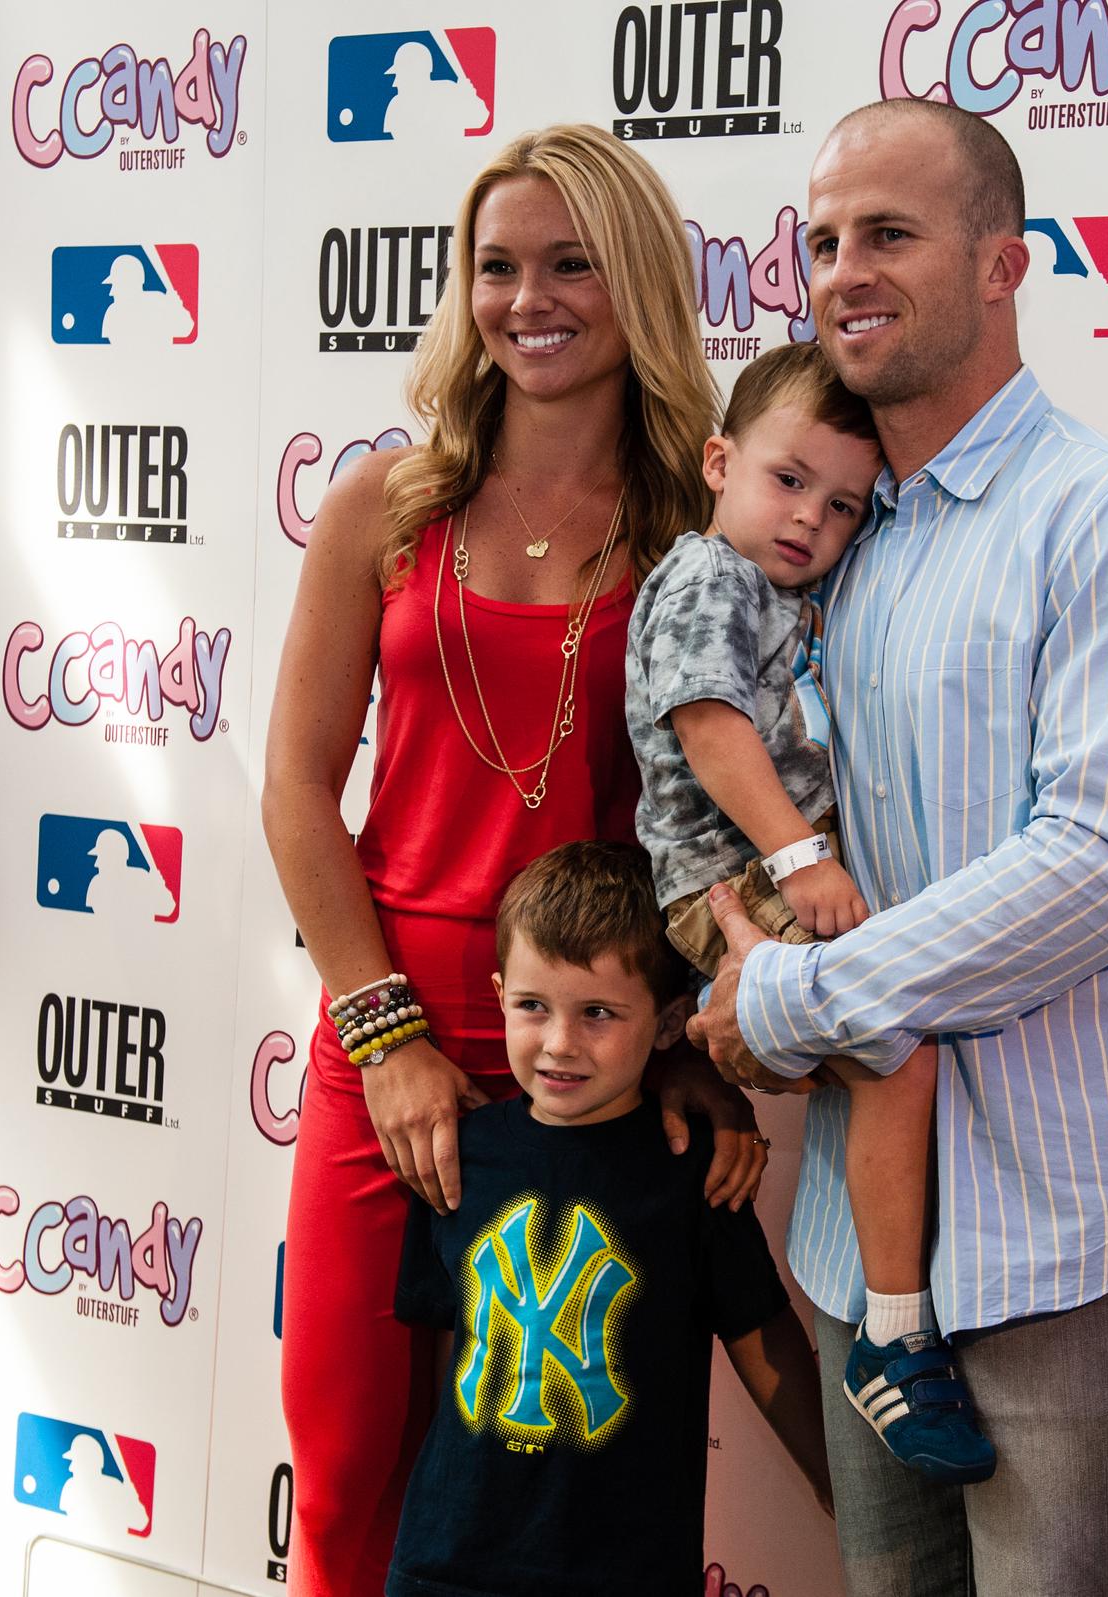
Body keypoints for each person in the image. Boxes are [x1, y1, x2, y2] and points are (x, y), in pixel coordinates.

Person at [687, 98, 1108, 1596]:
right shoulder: (836, 545)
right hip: (861, 1252)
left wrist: (798, 998)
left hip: (1070, 1233)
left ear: (1005, 263)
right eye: (820, 240)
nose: (843, 270)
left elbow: (1107, 864)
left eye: (890, 232)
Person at [261, 123, 756, 1596]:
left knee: (553, 1518)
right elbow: (295, 793)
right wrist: (386, 1030)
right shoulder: (383, 509)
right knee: (348, 1476)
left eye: (570, 264)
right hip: (386, 1039)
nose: (527, 298)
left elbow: (716, 825)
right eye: (495, 266)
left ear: (640, 287)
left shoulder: (697, 536)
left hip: (584, 1062)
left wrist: (667, 1035)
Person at [627, 341, 989, 1483]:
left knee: (901, 1060)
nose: (810, 522)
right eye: (787, 482)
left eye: (843, 506)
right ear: (719, 462)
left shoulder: (790, 590)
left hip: (762, 874)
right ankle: (895, 1337)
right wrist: (796, 857)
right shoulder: (707, 578)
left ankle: (901, 1313)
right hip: (729, 882)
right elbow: (707, 722)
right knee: (896, 1056)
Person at [389, 842, 829, 1596]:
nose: (560, 1042)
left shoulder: (692, 1171)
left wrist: (842, 1489)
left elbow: (763, 1334)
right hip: (447, 1564)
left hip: (624, 1567)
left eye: (597, 1013)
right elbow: (448, 1355)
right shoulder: (458, 1159)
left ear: (664, 1025)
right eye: (533, 1006)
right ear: (499, 994)